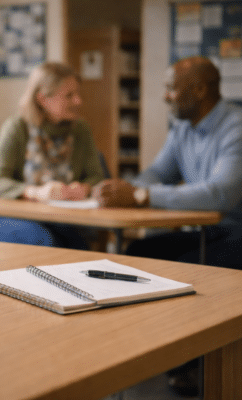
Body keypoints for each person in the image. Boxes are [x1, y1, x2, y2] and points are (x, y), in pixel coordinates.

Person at [92, 55, 242, 397]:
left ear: (200, 89)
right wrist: (125, 191)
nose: (165, 97)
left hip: (237, 230)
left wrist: (142, 195)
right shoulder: (183, 129)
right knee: (138, 253)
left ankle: (191, 361)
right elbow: (156, 174)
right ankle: (144, 351)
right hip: (207, 229)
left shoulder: (236, 125)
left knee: (191, 267)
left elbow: (221, 194)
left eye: (171, 88)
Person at [0, 62, 105, 249]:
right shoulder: (16, 128)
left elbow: (97, 177)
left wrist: (82, 189)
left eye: (77, 94)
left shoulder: (81, 129)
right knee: (46, 243)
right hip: (2, 217)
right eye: (69, 95)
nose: (78, 101)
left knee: (78, 245)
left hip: (57, 217)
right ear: (42, 99)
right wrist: (36, 193)